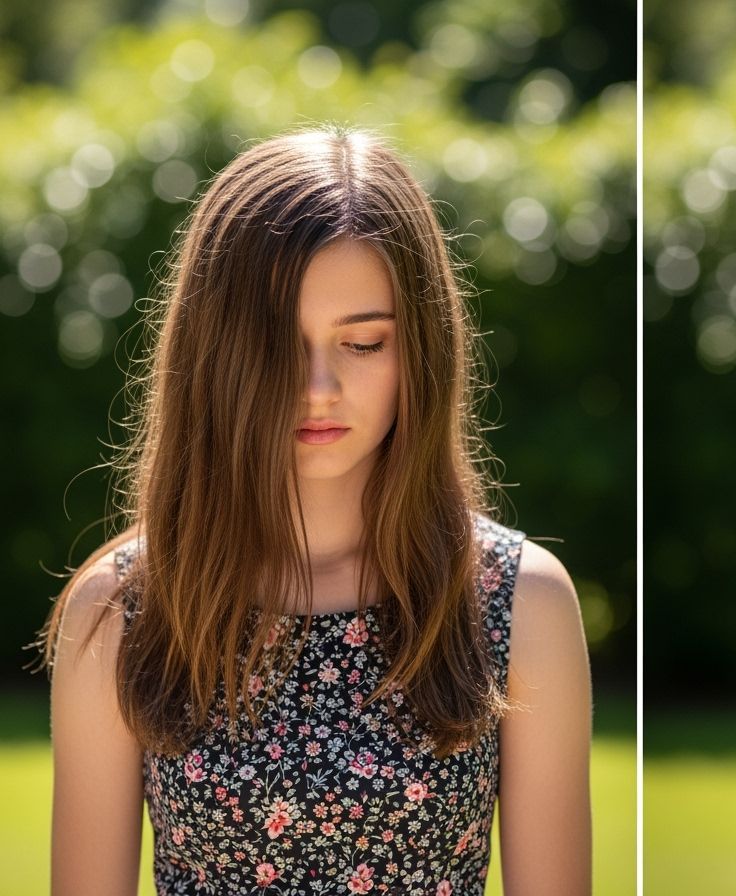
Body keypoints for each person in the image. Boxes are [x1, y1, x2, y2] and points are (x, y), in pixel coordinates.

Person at [42, 127, 592, 896]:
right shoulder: (123, 609)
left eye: (363, 343)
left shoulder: (516, 600)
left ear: (420, 353)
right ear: (216, 350)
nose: (319, 386)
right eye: (277, 344)